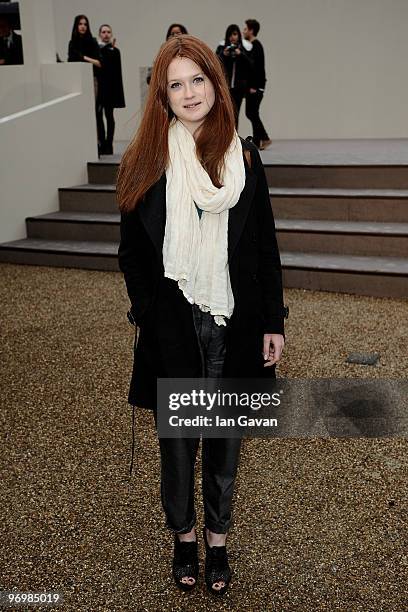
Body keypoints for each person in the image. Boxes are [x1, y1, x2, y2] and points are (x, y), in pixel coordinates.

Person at [117, 34, 286, 596]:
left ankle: (218, 543)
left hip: (234, 322)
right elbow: (132, 254)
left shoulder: (244, 158)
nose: (189, 93)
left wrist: (272, 324)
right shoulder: (145, 160)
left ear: (216, 82)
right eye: (176, 84)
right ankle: (183, 540)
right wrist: (148, 311)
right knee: (179, 443)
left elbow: (264, 247)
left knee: (225, 442)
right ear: (162, 96)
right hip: (173, 325)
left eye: (198, 79)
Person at [216, 24, 253, 129]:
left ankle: (235, 138)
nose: (232, 37)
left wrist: (240, 54)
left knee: (235, 114)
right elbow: (214, 64)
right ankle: (226, 138)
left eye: (235, 34)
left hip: (239, 88)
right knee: (225, 114)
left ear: (239, 35)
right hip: (225, 87)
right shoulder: (222, 48)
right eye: (230, 35)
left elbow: (251, 65)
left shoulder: (244, 48)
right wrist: (224, 55)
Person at [243, 19, 272, 150]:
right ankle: (259, 140)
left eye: (245, 29)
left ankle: (264, 138)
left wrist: (254, 86)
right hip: (254, 86)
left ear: (251, 30)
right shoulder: (252, 45)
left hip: (256, 86)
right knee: (252, 112)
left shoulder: (256, 46)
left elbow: (256, 68)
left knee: (251, 112)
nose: (243, 31)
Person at [96, 24, 126, 155]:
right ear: (99, 34)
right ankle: (102, 142)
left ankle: (109, 143)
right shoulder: (96, 50)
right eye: (103, 32)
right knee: (98, 115)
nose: (106, 34)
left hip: (109, 89)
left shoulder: (115, 51)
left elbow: (116, 73)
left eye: (108, 32)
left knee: (109, 115)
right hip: (99, 88)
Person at [67, 15, 101, 101]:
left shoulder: (93, 41)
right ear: (76, 26)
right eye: (80, 24)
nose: (83, 26)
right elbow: (70, 61)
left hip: (92, 79)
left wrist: (83, 57)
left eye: (85, 24)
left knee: (93, 107)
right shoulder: (72, 43)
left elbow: (99, 63)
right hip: (76, 82)